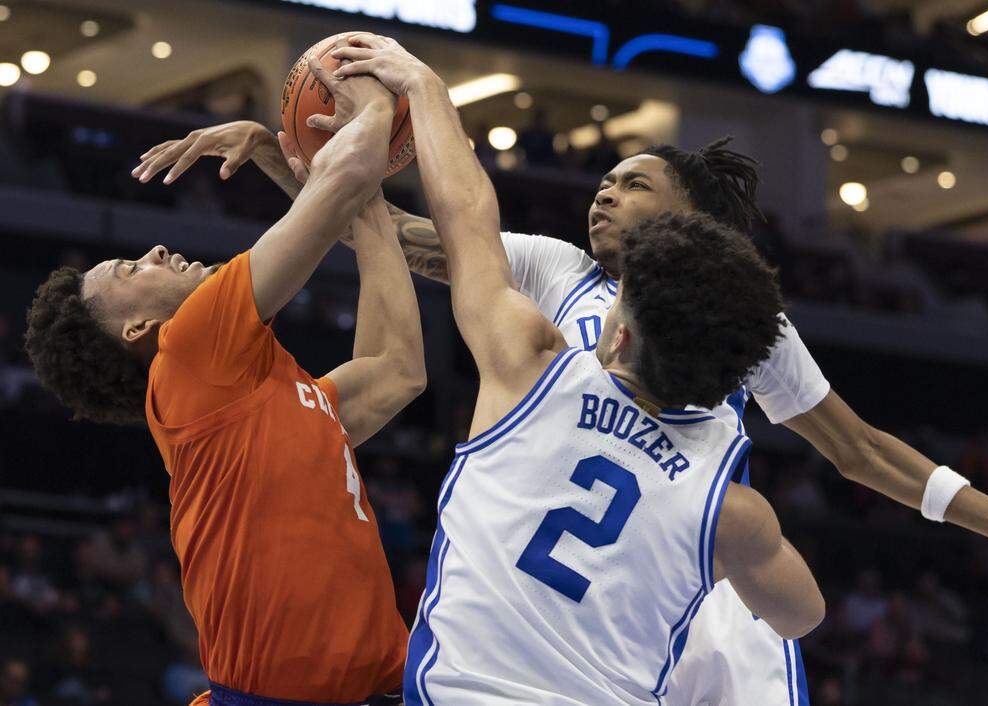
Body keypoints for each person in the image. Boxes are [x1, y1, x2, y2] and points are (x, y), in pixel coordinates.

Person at [136, 38, 988, 706]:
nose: (604, 191)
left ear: (687, 222)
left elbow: (864, 453)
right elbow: (389, 231)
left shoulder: (741, 319)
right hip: (615, 582)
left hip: (690, 581)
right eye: (605, 179)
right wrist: (283, 160)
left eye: (634, 182)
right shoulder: (560, 269)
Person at [325, 36, 824, 705]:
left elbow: (465, 214)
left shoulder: (529, 370)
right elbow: (802, 615)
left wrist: (423, 87)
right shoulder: (731, 512)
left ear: (614, 335)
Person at [24, 58, 424, 706]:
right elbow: (344, 177)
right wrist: (368, 103)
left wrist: (359, 189)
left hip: (368, 688)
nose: (153, 252)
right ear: (138, 330)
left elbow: (396, 369)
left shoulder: (255, 396)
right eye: (130, 270)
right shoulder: (185, 349)